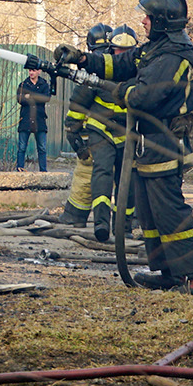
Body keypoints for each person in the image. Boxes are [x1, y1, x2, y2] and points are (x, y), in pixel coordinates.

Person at [56, 0, 193, 292]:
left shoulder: (173, 56)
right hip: (146, 143)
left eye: (148, 17)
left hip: (163, 142)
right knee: (149, 212)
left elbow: (143, 96)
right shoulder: (155, 49)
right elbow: (123, 64)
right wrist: (84, 59)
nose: (143, 21)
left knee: (169, 212)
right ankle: (169, 273)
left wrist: (120, 91)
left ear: (162, 22)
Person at [81, 26, 139, 241]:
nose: (121, 56)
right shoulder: (101, 70)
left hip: (128, 133)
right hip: (101, 130)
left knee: (128, 181)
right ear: (110, 49)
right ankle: (101, 225)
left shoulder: (141, 73)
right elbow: (79, 101)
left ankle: (123, 228)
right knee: (102, 174)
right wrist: (73, 131)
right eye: (117, 51)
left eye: (126, 52)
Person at [59, 24, 114, 223]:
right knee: (124, 180)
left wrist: (77, 143)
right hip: (125, 138)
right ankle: (126, 222)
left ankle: (75, 216)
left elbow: (76, 112)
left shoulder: (91, 76)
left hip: (97, 139)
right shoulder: (123, 68)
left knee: (85, 174)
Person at [15, 67, 54, 171]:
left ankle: (43, 172)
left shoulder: (44, 84)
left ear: (39, 71)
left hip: (39, 120)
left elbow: (46, 98)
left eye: (33, 70)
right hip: (25, 120)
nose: (31, 72)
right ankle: (19, 170)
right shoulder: (23, 84)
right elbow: (20, 99)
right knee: (22, 148)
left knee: (42, 148)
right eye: (30, 70)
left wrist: (30, 96)